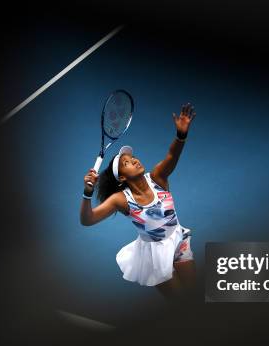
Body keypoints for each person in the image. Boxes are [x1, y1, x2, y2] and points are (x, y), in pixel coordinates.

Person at [80, 103, 197, 298]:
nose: (134, 160)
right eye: (127, 163)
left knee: (194, 294)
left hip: (178, 241)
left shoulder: (158, 177)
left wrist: (181, 135)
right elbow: (87, 220)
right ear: (123, 177)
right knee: (180, 303)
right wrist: (87, 193)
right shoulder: (121, 200)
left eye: (132, 158)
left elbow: (172, 155)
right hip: (154, 256)